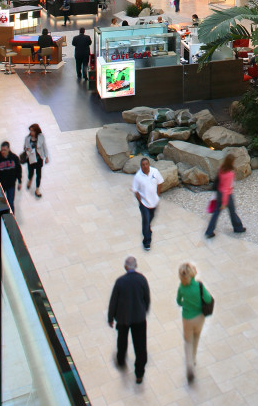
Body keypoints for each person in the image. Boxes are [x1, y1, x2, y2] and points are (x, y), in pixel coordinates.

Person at [107, 256, 151, 384]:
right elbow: (147, 298)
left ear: (126, 267)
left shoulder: (120, 282)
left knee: (122, 340)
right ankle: (139, 373)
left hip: (123, 318)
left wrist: (110, 318)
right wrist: (144, 310)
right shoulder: (142, 279)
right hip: (139, 318)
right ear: (135, 266)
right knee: (140, 346)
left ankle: (121, 361)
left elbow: (113, 302)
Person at [176, 262, 213, 384]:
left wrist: (184, 304)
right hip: (199, 317)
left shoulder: (182, 287)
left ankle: (189, 366)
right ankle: (194, 359)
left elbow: (178, 301)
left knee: (188, 341)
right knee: (196, 338)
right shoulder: (199, 286)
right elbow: (208, 299)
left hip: (187, 319)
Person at [205, 153, 247, 238]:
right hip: (226, 195)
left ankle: (209, 231)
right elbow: (226, 188)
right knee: (232, 211)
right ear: (231, 162)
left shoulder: (221, 169)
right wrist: (224, 202)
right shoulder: (230, 173)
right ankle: (238, 227)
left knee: (216, 213)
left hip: (219, 193)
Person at [132, 157, 164, 250]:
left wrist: (157, 195)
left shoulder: (155, 172)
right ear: (141, 166)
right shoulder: (138, 177)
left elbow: (160, 183)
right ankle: (147, 241)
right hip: (144, 204)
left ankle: (147, 230)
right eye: (143, 165)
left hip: (154, 202)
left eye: (146, 164)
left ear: (149, 164)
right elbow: (135, 190)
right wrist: (140, 201)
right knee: (146, 222)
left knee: (150, 220)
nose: (145, 166)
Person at [0, 141, 22, 212]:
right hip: (1, 186)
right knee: (1, 203)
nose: (3, 152)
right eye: (2, 150)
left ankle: (12, 218)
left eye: (5, 150)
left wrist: (19, 181)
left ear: (8, 149)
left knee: (10, 203)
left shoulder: (14, 158)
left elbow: (18, 170)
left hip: (11, 185)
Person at [23, 123, 48, 197]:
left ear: (36, 131)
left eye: (32, 131)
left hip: (39, 159)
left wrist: (46, 157)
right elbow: (25, 147)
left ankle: (37, 189)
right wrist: (27, 149)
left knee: (38, 174)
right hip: (30, 158)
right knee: (30, 172)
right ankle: (30, 180)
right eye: (30, 131)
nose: (31, 132)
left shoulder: (41, 137)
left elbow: (44, 147)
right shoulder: (27, 138)